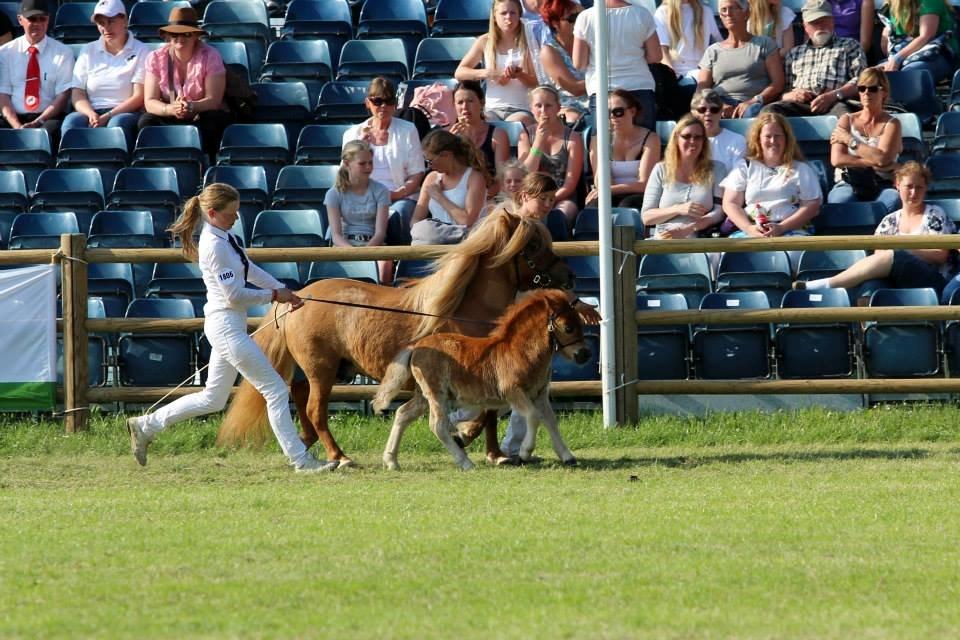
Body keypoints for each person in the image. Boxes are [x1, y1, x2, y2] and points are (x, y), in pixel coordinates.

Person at [125, 183, 337, 473]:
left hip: (229, 324)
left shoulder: (227, 237)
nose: (236, 217)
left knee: (213, 398)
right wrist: (274, 297)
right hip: (226, 325)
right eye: (231, 213)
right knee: (275, 389)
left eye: (237, 212)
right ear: (212, 213)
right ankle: (301, 460)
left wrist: (283, 289)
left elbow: (250, 269)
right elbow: (234, 295)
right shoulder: (214, 246)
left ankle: (145, 426)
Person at [797, 162, 957, 301]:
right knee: (870, 287)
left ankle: (828, 284)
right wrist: (904, 252)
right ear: (898, 185)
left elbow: (940, 254)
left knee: (898, 256)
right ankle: (866, 331)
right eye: (909, 187)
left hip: (931, 280)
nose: (914, 193)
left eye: (919, 187)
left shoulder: (934, 214)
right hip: (894, 278)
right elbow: (880, 255)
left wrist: (903, 250)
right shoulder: (890, 220)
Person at [720, 112, 821, 267]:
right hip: (752, 230)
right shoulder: (745, 167)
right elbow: (730, 203)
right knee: (723, 256)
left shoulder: (800, 169)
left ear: (786, 139)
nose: (773, 141)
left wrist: (781, 228)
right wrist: (749, 228)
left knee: (796, 256)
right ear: (758, 138)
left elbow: (812, 206)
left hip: (790, 230)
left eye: (778, 136)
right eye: (768, 136)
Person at [138, 6, 229, 162]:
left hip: (200, 113)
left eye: (186, 34)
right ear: (167, 36)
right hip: (169, 112)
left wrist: (191, 107)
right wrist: (169, 109)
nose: (180, 39)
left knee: (213, 120)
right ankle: (158, 163)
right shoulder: (155, 57)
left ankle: (205, 163)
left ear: (195, 36)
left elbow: (213, 100)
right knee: (147, 121)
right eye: (174, 34)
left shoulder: (211, 55)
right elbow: (150, 101)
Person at [63, 0, 149, 152]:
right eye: (101, 23)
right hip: (92, 111)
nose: (106, 28)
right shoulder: (88, 50)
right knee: (71, 123)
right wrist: (90, 113)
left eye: (111, 21)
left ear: (124, 20)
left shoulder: (142, 50)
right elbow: (78, 93)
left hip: (125, 112)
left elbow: (139, 96)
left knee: (117, 124)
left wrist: (108, 115)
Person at [343, 77, 425, 227]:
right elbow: (345, 176)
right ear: (368, 103)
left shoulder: (408, 130)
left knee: (398, 215)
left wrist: (396, 194)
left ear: (395, 103)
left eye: (389, 101)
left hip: (401, 197)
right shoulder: (352, 134)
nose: (383, 106)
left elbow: (417, 173)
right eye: (378, 101)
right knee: (336, 225)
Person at [763, 0, 866, 118]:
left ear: (832, 21)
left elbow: (861, 81)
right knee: (770, 111)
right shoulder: (794, 54)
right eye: (814, 22)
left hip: (835, 102)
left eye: (824, 20)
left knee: (844, 115)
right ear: (805, 26)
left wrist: (833, 95)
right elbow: (782, 92)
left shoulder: (850, 46)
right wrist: (792, 95)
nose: (820, 26)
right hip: (800, 104)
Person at [573, 0, 662, 130]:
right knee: (644, 142)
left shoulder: (586, 17)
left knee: (603, 146)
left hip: (602, 90)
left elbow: (579, 63)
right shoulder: (641, 14)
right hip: (640, 87)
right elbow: (655, 56)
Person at [0, 0, 75, 149]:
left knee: (49, 134)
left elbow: (63, 95)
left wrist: (39, 121)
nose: (38, 23)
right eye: (32, 19)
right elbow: (3, 94)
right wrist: (16, 126)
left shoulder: (63, 53)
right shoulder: (6, 53)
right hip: (12, 117)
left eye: (43, 18)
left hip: (48, 117)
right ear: (20, 20)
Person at [827, 67, 902, 212]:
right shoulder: (845, 120)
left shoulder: (892, 124)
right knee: (839, 202)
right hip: (849, 181)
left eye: (873, 88)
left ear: (884, 92)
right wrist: (877, 162)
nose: (867, 93)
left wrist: (850, 140)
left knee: (892, 201)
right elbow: (837, 160)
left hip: (882, 182)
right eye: (862, 88)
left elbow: (882, 158)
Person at [641, 114, 728, 239]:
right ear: (676, 138)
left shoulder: (717, 169)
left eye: (697, 137)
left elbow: (719, 212)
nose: (692, 141)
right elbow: (647, 217)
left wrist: (689, 228)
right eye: (686, 136)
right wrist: (678, 209)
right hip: (664, 237)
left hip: (700, 236)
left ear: (704, 141)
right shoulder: (661, 169)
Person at [455, 0, 538, 127]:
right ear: (494, 16)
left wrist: (520, 75)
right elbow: (460, 72)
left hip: (521, 107)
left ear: (519, 15)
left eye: (513, 13)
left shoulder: (528, 41)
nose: (508, 17)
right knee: (484, 123)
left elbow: (536, 82)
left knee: (517, 123)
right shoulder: (485, 41)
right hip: (492, 109)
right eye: (503, 13)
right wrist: (488, 73)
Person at [698, 0, 784, 119]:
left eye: (733, 8)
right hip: (719, 103)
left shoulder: (765, 44)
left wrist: (754, 101)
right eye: (723, 10)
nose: (728, 13)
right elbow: (702, 89)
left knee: (753, 114)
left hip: (753, 103)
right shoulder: (712, 51)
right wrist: (719, 105)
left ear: (746, 13)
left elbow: (778, 83)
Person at [325, 140, 393, 283]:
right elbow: (336, 235)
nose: (368, 167)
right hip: (345, 246)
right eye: (362, 164)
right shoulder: (334, 193)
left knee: (385, 265)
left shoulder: (381, 190)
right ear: (347, 163)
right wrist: (353, 253)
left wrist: (365, 253)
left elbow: (380, 233)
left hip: (373, 246)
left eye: (370, 162)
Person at [518, 85, 584, 224]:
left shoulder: (573, 138)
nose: (543, 111)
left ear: (558, 107)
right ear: (531, 108)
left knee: (558, 216)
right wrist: (538, 142)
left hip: (562, 197)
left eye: (548, 105)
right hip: (532, 197)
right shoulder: (526, 135)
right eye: (538, 106)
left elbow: (570, 184)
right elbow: (525, 175)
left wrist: (549, 200)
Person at [409, 130, 489, 244]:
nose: (429, 166)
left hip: (467, 242)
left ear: (446, 155)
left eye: (430, 161)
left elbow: (467, 221)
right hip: (436, 240)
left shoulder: (474, 178)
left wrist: (439, 196)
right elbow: (415, 220)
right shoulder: (431, 178)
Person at [586, 89, 660, 210]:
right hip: (610, 192)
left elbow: (645, 184)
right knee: (594, 207)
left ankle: (626, 230)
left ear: (632, 111)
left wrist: (611, 190)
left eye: (618, 112)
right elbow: (601, 181)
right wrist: (605, 142)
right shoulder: (598, 140)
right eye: (607, 113)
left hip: (639, 195)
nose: (612, 117)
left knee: (626, 207)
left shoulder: (650, 139)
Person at [880, 0, 958, 83]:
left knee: (909, 73)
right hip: (907, 56)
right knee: (873, 75)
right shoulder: (893, 4)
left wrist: (897, 59)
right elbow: (889, 47)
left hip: (939, 54)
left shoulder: (930, 2)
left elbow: (926, 36)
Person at [654, 0, 721, 96]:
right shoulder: (662, 12)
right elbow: (663, 51)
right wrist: (672, 80)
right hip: (677, 78)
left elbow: (719, 43)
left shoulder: (705, 11)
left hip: (703, 73)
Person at [538, 0, 589, 124]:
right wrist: (604, 80)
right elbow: (574, 88)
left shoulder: (589, 43)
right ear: (555, 23)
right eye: (572, 18)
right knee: (574, 119)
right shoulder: (549, 51)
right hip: (569, 105)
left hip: (598, 99)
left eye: (580, 16)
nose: (579, 21)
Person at [445, 81, 510, 177]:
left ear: (482, 103)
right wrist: (450, 144)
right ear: (454, 106)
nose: (465, 107)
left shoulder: (498, 136)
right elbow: (445, 172)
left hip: (488, 188)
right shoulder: (448, 135)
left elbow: (501, 177)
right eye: (460, 102)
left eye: (470, 101)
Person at [690, 88, 747, 171]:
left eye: (714, 110)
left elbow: (739, 174)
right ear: (693, 113)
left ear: (721, 112)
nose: (708, 113)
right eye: (702, 109)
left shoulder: (737, 140)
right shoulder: (687, 141)